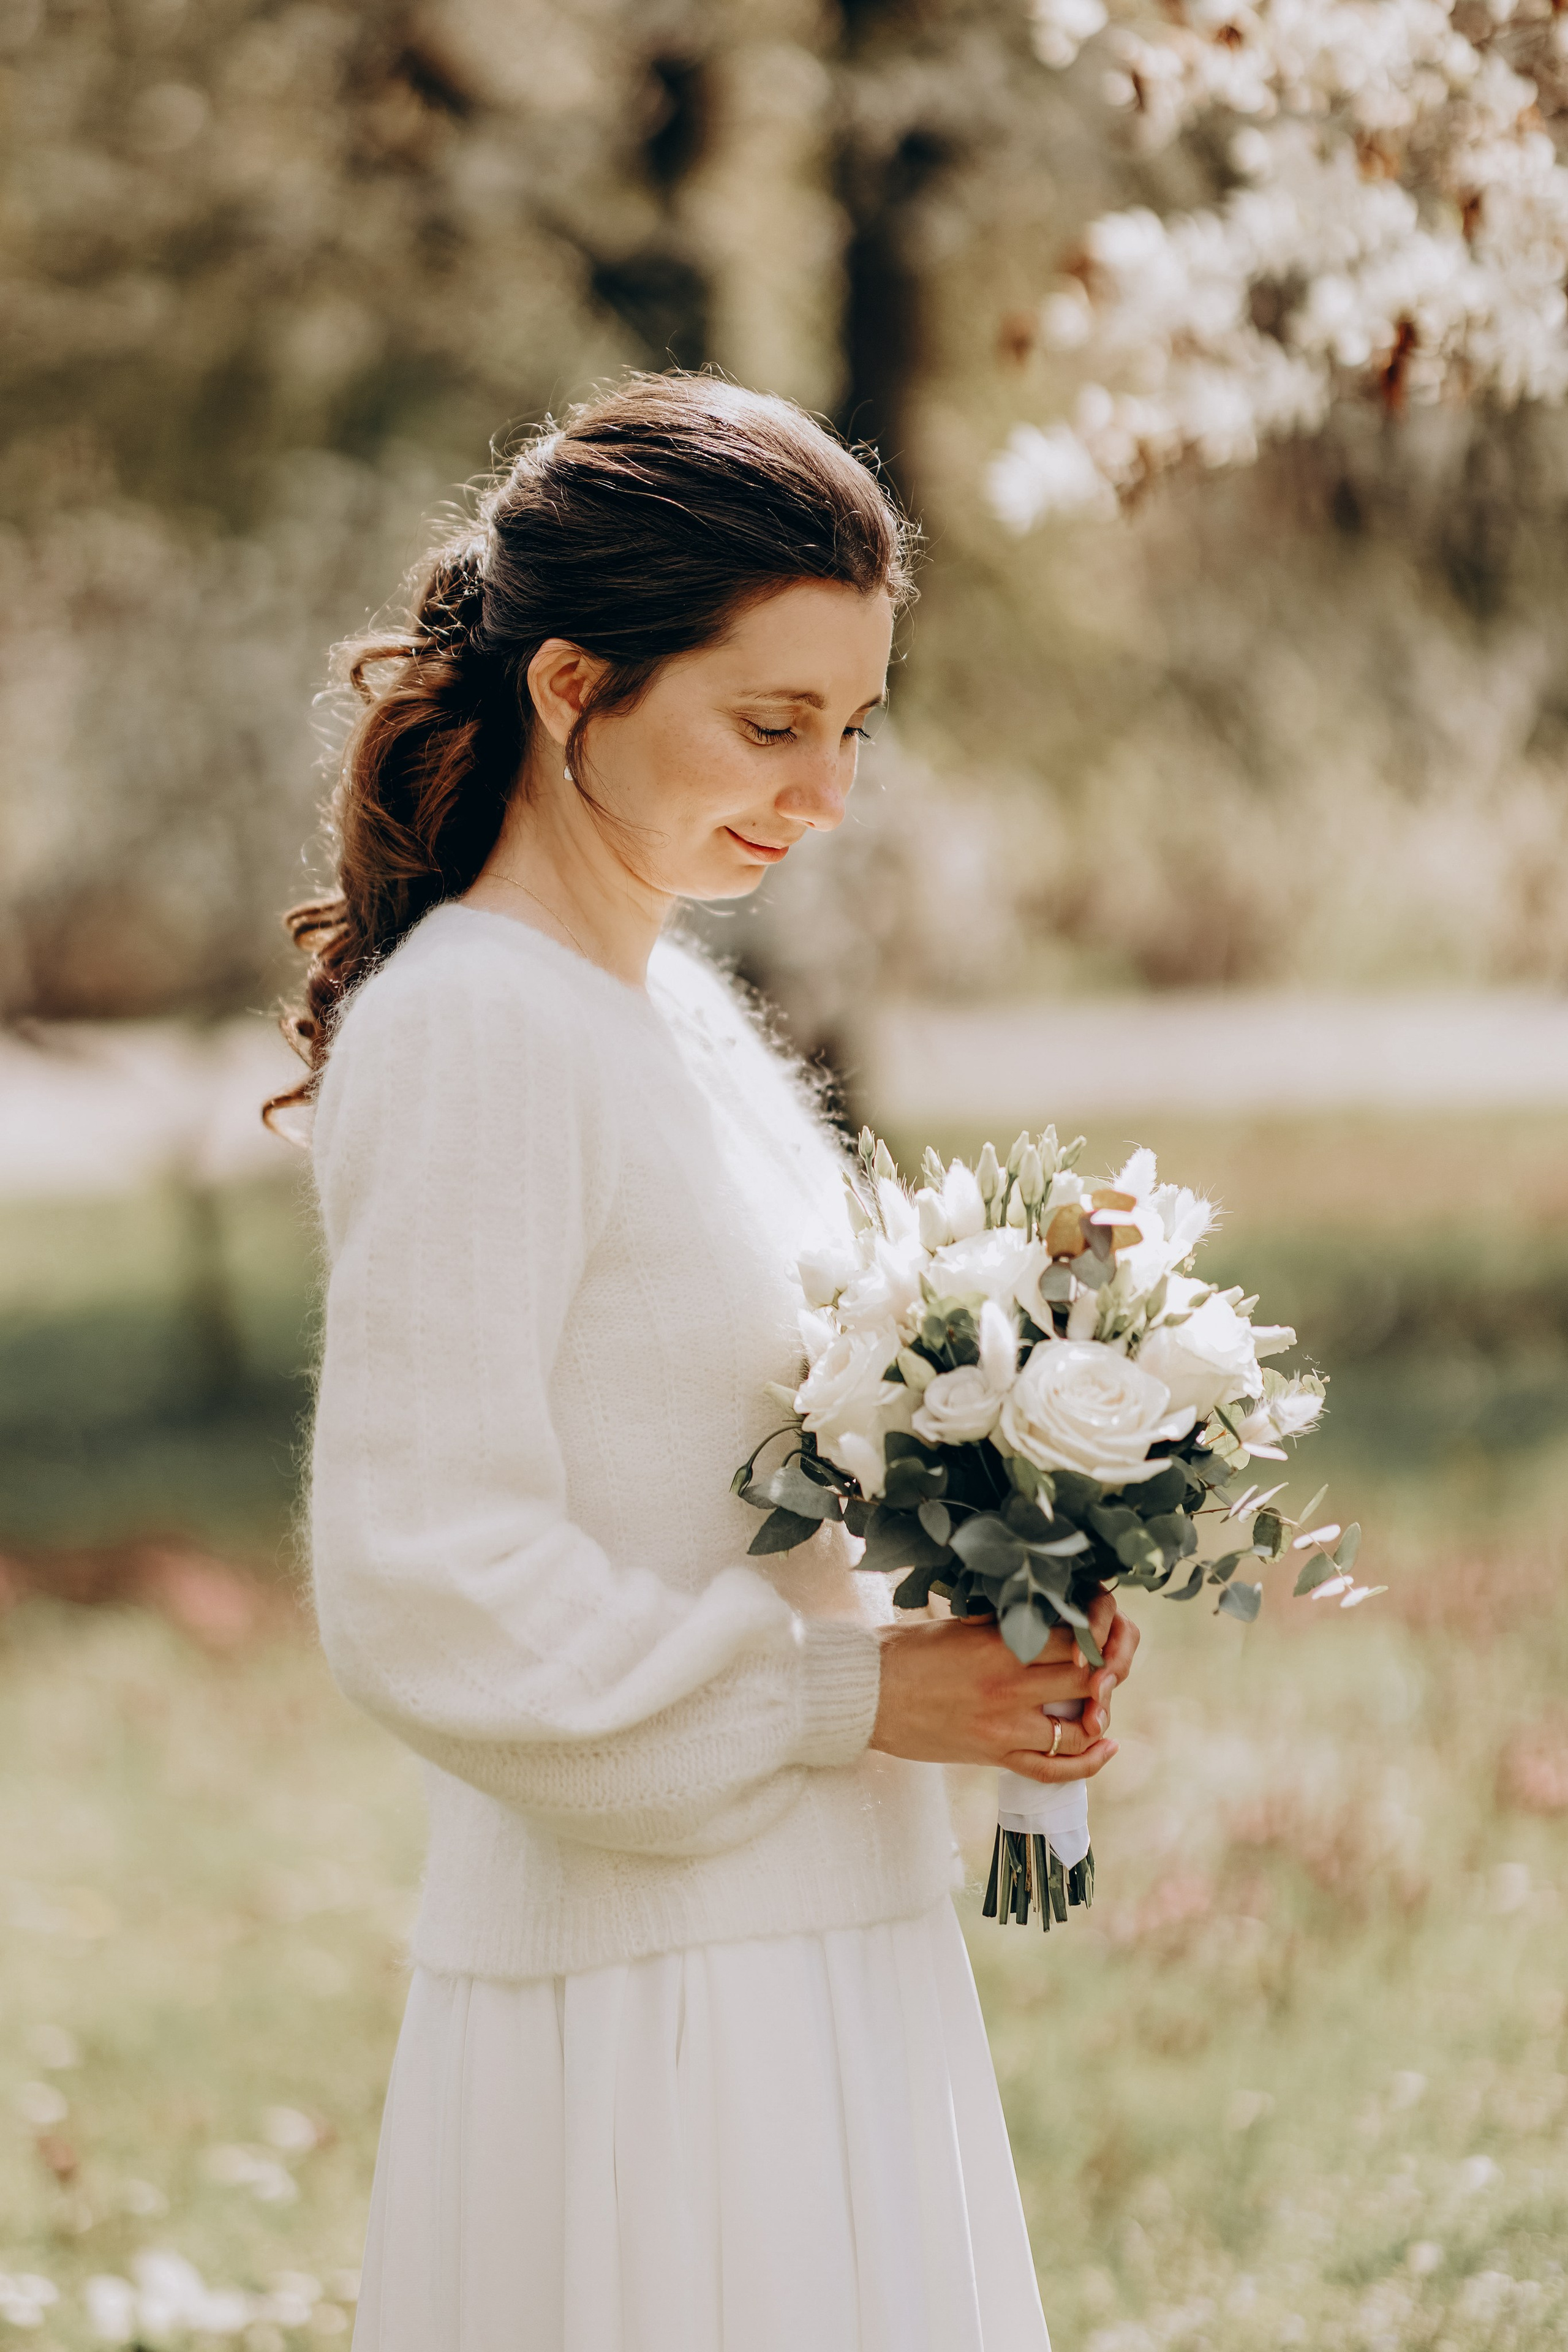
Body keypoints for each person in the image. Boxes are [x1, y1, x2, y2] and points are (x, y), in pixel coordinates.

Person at [276, 372, 1139, 2352]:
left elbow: (733, 1468)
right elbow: (433, 1584)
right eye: (772, 725)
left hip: (829, 1936)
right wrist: (855, 1696)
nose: (825, 791)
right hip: (650, 1993)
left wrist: (998, 1611)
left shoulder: (675, 1018)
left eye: (851, 727)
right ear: (575, 685)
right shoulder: (480, 1030)